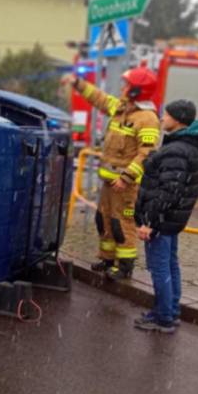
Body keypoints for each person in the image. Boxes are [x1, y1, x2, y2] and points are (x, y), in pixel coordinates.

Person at [65, 66, 162, 280]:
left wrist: (126, 178)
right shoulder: (121, 107)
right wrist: (77, 83)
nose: (123, 88)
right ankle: (107, 259)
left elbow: (146, 154)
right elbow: (98, 98)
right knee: (104, 220)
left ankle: (124, 266)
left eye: (127, 85)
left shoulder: (147, 119)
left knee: (122, 224)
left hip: (125, 185)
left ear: (137, 90)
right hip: (109, 182)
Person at [133, 99, 198, 332]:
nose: (162, 118)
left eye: (167, 115)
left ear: (178, 119)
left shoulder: (177, 150)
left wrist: (149, 222)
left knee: (160, 268)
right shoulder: (187, 147)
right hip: (172, 220)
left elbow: (168, 191)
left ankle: (163, 318)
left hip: (161, 221)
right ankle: (170, 311)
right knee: (170, 265)